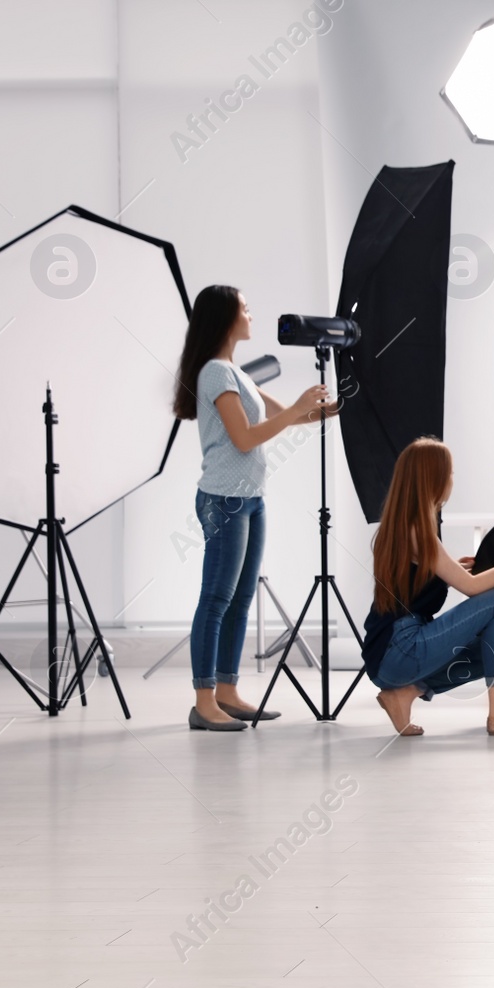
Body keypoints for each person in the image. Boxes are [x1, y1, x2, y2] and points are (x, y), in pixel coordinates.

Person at [173, 285, 337, 731]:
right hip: (224, 500)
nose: (251, 313)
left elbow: (294, 416)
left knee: (241, 599)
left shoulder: (236, 372)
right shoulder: (213, 374)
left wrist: (334, 407)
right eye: (244, 308)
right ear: (226, 318)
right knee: (216, 599)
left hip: (251, 498)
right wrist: (298, 408)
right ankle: (203, 702)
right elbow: (245, 437)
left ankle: (227, 692)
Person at [362, 436, 494, 737]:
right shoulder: (419, 530)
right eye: (451, 473)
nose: (453, 480)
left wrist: (448, 569)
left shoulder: (404, 526)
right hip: (402, 647)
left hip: (390, 657)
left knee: (492, 653)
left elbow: (413, 582)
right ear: (435, 478)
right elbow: (472, 588)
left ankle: (403, 694)